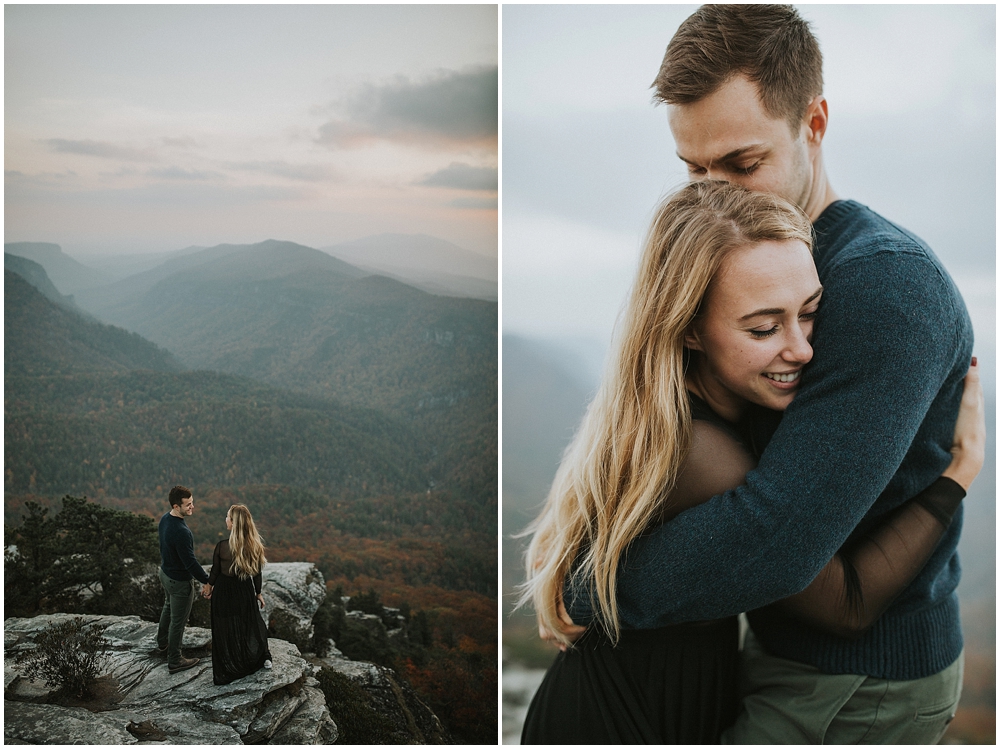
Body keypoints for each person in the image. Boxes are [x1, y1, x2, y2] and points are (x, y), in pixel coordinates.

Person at [547, 5, 978, 744]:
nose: (715, 196)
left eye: (743, 164)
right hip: (781, 652)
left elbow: (773, 538)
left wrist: (594, 586)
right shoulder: (742, 256)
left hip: (854, 683)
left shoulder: (883, 288)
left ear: (814, 124)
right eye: (693, 169)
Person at [201, 504, 272, 685]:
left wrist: (208, 586)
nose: (225, 520)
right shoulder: (254, 545)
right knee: (247, 624)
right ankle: (255, 658)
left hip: (224, 592)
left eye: (227, 517)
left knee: (224, 628)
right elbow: (256, 573)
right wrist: (258, 593)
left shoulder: (222, 547)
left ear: (234, 523)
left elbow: (215, 572)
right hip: (244, 591)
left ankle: (228, 665)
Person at [155, 485, 211, 674]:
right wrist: (207, 580)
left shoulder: (165, 519)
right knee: (178, 622)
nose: (192, 507)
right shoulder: (181, 531)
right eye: (187, 505)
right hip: (179, 581)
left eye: (192, 503)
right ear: (176, 506)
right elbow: (190, 563)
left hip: (166, 574)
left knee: (168, 607)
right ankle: (175, 660)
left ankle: (162, 643)